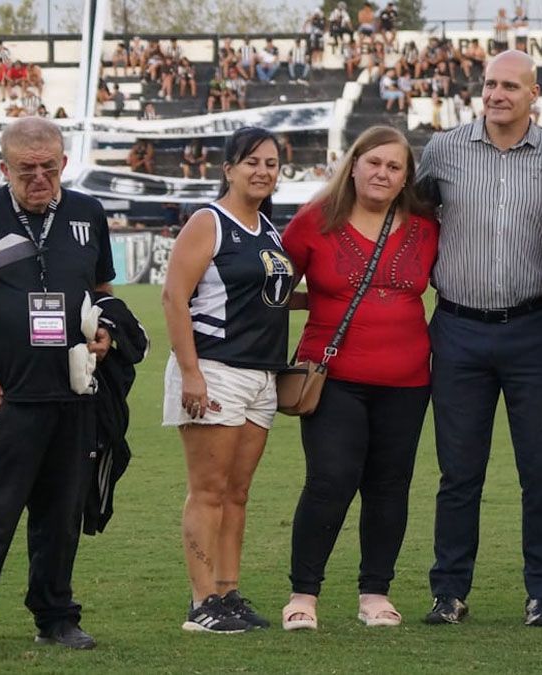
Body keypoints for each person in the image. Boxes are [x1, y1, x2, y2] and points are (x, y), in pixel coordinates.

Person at [415, 50, 542, 627]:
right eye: (490, 84)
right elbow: (410, 217)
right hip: (458, 329)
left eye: (510, 86)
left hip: (535, 329)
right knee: (459, 471)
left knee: (540, 469)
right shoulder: (443, 150)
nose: (497, 94)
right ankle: (449, 590)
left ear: (533, 94)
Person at [0, 117, 115, 655]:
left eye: (49, 167)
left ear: (63, 162)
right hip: (4, 398)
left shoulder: (87, 212)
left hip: (73, 396)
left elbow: (103, 291)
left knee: (61, 517)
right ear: (4, 169)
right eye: (26, 170)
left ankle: (55, 616)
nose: (39, 178)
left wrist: (106, 331)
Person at [278, 126, 438, 631]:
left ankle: (375, 593)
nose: (382, 173)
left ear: (406, 177)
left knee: (390, 486)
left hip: (409, 378)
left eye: (394, 167)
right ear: (353, 165)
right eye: (374, 163)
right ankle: (303, 594)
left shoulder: (427, 225)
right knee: (330, 481)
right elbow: (273, 289)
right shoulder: (313, 222)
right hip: (333, 376)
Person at [161, 127, 297, 634]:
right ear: (228, 169)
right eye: (251, 162)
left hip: (262, 373)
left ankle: (228, 592)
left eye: (271, 163)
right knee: (209, 490)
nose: (262, 171)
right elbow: (175, 297)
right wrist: (192, 373)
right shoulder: (208, 222)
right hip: (214, 369)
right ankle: (202, 604)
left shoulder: (269, 228)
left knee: (237, 492)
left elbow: (270, 297)